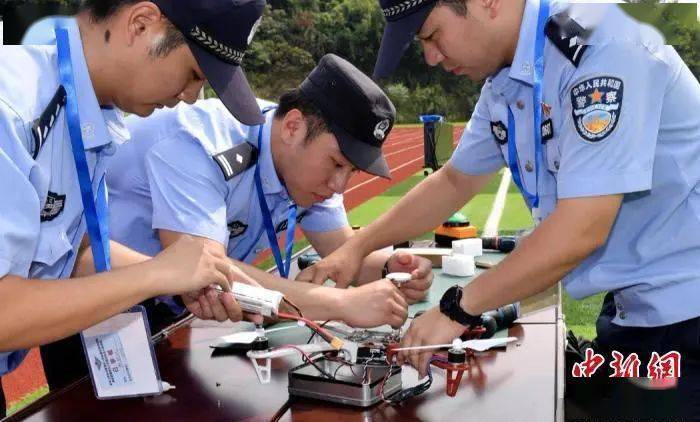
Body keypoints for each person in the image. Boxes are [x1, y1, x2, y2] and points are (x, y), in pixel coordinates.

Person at [306, 0, 700, 418]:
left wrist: (457, 308)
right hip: (638, 308)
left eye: (432, 34)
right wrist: (356, 247)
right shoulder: (510, 77)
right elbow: (456, 180)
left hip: (686, 315)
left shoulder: (604, 46)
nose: (431, 57)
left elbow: (582, 228)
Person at [0, 0, 266, 411]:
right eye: (194, 74)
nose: (193, 97)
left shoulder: (88, 111)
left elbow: (74, 251)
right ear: (141, 24)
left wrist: (177, 276)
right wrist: (157, 274)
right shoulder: (12, 107)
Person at [106, 53, 428, 330]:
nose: (339, 186)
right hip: (101, 305)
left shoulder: (302, 163)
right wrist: (341, 303)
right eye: (336, 164)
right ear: (293, 127)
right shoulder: (201, 144)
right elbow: (206, 270)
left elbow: (342, 252)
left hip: (171, 309)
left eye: (351, 171)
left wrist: (391, 269)